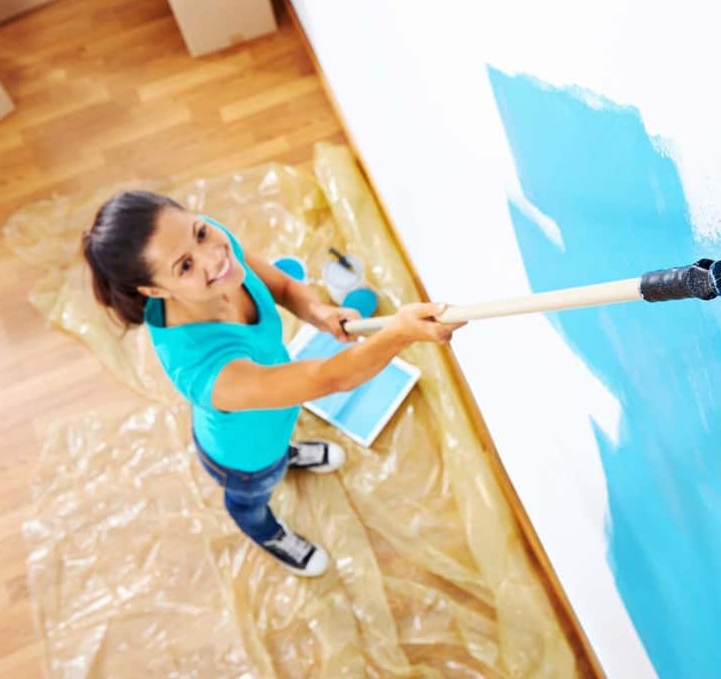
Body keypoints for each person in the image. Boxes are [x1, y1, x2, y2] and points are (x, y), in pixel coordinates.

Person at [81, 190, 465, 576]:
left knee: (278, 446)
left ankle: (287, 454)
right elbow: (330, 377)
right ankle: (264, 531)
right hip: (244, 457)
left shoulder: (215, 246)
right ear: (154, 291)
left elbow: (281, 286)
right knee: (254, 494)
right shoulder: (203, 368)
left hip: (275, 421)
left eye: (199, 233)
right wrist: (399, 333)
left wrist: (318, 312)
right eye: (184, 266)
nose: (213, 256)